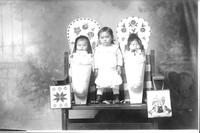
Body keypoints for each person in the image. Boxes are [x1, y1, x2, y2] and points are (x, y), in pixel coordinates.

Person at [94, 27, 123, 104]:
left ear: (112, 37)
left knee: (115, 83)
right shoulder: (98, 49)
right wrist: (96, 68)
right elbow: (96, 59)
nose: (105, 39)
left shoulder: (115, 48)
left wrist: (119, 66)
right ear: (99, 39)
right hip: (102, 70)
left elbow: (119, 57)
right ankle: (99, 97)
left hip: (113, 70)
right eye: (102, 37)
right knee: (100, 84)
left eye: (107, 37)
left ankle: (116, 97)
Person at [69, 35, 93, 104]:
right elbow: (71, 67)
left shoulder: (89, 55)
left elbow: (91, 65)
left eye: (84, 45)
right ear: (76, 45)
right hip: (76, 73)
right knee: (76, 86)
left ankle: (83, 100)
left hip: (85, 74)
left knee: (83, 88)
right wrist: (70, 74)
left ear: (88, 46)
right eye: (79, 45)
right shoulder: (74, 55)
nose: (82, 47)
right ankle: (75, 98)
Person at [124, 33, 146, 104]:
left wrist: (139, 54)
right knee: (131, 78)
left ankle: (139, 99)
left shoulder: (141, 53)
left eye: (136, 44)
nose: (135, 46)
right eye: (132, 44)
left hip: (139, 68)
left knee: (139, 77)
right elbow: (126, 60)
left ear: (139, 45)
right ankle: (131, 98)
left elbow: (143, 60)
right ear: (129, 45)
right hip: (131, 68)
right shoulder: (128, 53)